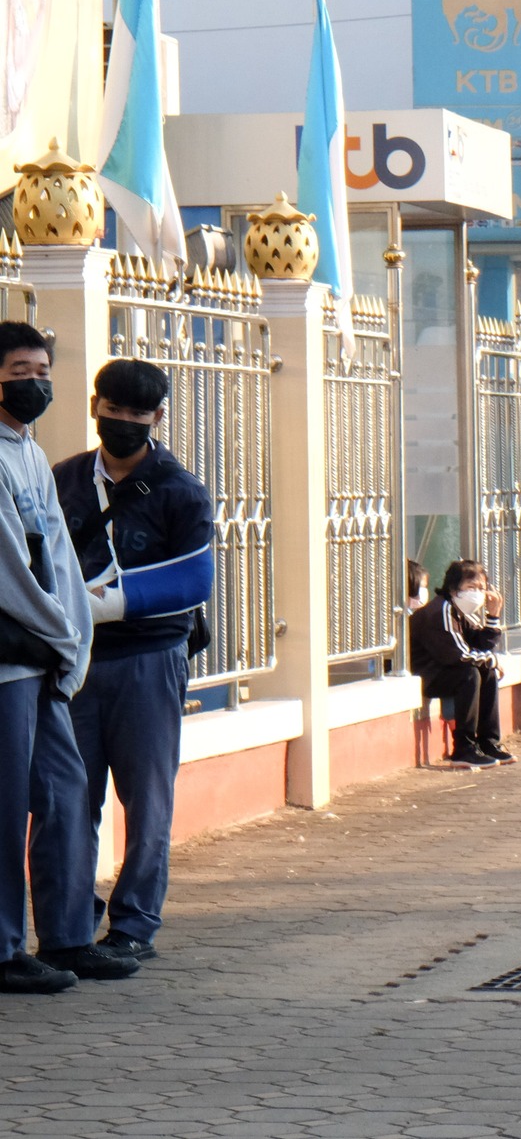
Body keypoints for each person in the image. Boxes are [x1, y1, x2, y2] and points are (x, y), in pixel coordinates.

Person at [51, 359, 215, 961]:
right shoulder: (63, 479)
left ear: (158, 418)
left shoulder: (180, 490)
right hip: (73, 662)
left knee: (147, 802)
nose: (121, 422)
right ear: (96, 406)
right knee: (69, 799)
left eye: (136, 414)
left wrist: (112, 604)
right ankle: (69, 924)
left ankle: (134, 925)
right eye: (112, 410)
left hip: (149, 657)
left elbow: (195, 579)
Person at [0, 322, 140, 991]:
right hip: (11, 657)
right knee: (6, 808)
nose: (34, 381)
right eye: (20, 369)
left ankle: (65, 936)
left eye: (42, 369)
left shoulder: (29, 452)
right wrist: (61, 632)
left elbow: (57, 558)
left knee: (64, 794)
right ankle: (3, 948)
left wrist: (70, 636)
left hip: (43, 657)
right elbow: (12, 572)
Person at [409, 559, 514, 769]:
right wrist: (491, 660)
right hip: (427, 674)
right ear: (454, 588)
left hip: (444, 670)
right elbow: (459, 655)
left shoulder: (461, 611)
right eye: (471, 587)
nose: (477, 593)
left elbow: (482, 645)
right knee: (470, 674)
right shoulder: (441, 611)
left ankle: (488, 742)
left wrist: (493, 616)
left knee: (487, 672)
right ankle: (464, 749)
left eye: (482, 588)